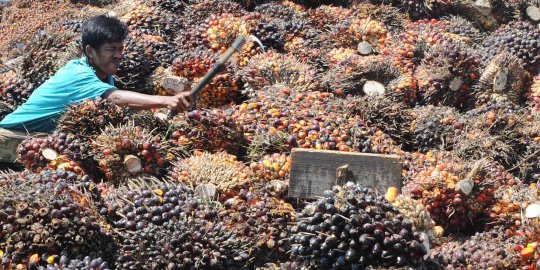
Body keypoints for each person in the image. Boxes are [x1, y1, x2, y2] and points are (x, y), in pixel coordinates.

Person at [0, 14, 192, 133]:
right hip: (11, 135)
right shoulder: (77, 74)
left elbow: (121, 105)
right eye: (111, 49)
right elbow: (115, 98)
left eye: (120, 49)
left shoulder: (103, 74)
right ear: (90, 51)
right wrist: (165, 101)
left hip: (38, 136)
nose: (118, 56)